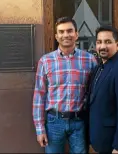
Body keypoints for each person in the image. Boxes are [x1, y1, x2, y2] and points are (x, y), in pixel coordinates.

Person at [32, 16, 97, 154]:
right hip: (54, 122)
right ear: (56, 36)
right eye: (61, 32)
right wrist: (40, 129)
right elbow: (39, 96)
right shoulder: (46, 61)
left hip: (79, 121)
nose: (66, 35)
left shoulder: (89, 60)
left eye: (69, 31)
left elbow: (95, 93)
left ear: (76, 34)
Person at [89, 26, 118, 154]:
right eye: (99, 42)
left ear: (117, 44)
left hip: (113, 145)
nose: (103, 46)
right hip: (99, 142)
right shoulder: (99, 67)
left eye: (108, 42)